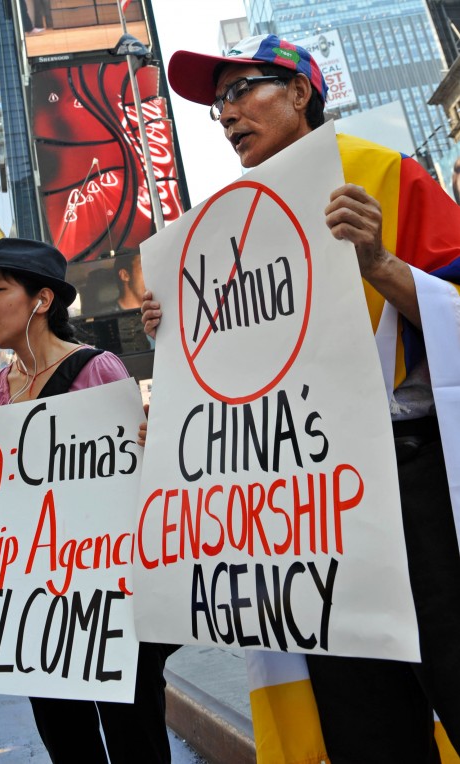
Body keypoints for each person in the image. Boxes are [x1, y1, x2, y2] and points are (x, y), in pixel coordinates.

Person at [141, 34, 460, 764]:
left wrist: (381, 264)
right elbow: (229, 386)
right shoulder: (222, 228)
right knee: (362, 723)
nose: (223, 116)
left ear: (299, 92)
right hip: (309, 517)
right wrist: (175, 334)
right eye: (215, 104)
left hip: (415, 492)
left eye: (238, 91)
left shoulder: (384, 174)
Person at [0, 237, 176, 764]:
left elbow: (137, 486)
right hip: (38, 605)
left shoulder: (99, 370)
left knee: (133, 735)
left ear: (42, 301)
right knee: (66, 739)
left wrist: (152, 449)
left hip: (111, 599)